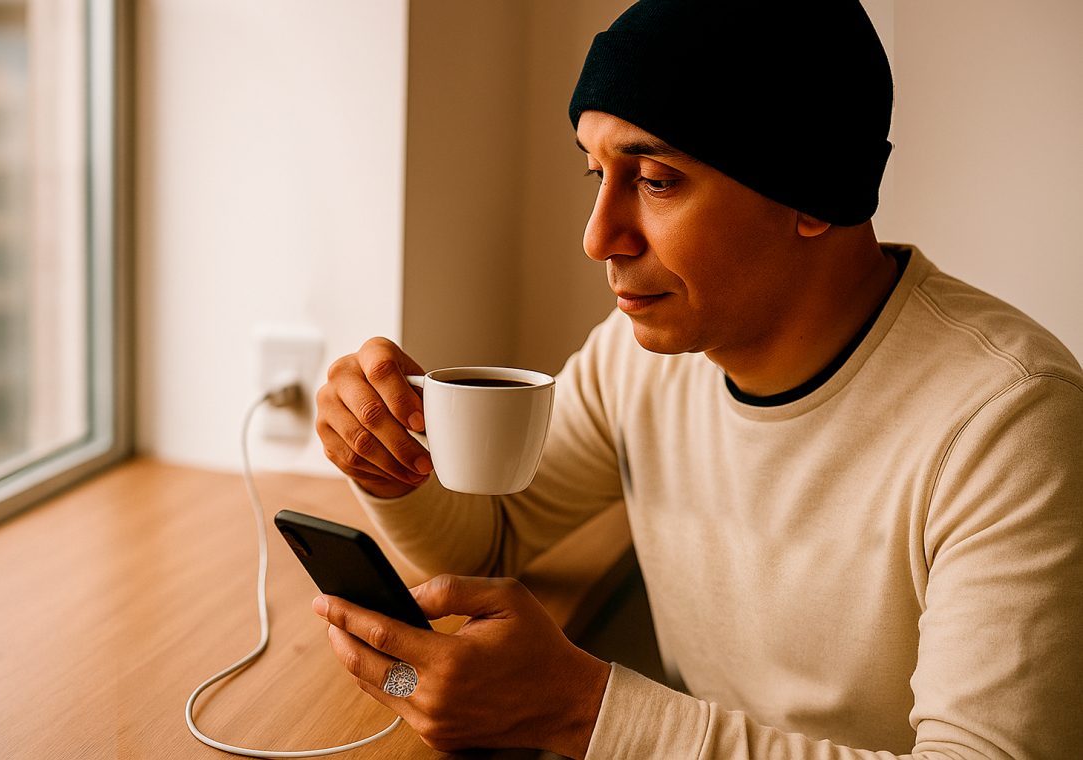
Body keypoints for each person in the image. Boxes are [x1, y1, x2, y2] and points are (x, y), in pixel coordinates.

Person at [312, 1, 1083, 757]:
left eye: (654, 179)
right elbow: (497, 535)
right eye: (596, 172)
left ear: (811, 189)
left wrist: (583, 714)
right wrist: (388, 463)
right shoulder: (637, 357)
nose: (596, 237)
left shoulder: (1010, 423)